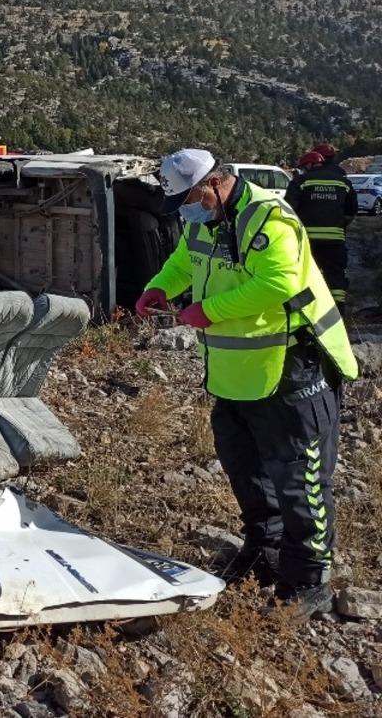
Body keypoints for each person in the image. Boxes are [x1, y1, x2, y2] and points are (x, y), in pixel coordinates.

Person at [135, 148, 358, 620]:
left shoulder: (269, 218)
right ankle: (266, 551)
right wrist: (160, 287)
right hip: (237, 372)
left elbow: (277, 283)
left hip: (292, 364)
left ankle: (309, 577)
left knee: (298, 475)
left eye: (191, 198)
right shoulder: (200, 219)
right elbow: (183, 263)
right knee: (246, 466)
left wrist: (208, 311)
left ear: (215, 184)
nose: (186, 211)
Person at [285, 148, 356, 312]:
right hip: (335, 241)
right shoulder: (343, 182)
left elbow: (289, 209)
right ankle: (338, 311)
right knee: (336, 275)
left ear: (309, 165)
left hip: (307, 241)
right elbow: (351, 210)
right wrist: (340, 226)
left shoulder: (301, 182)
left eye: (304, 167)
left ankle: (306, 311)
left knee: (306, 275)